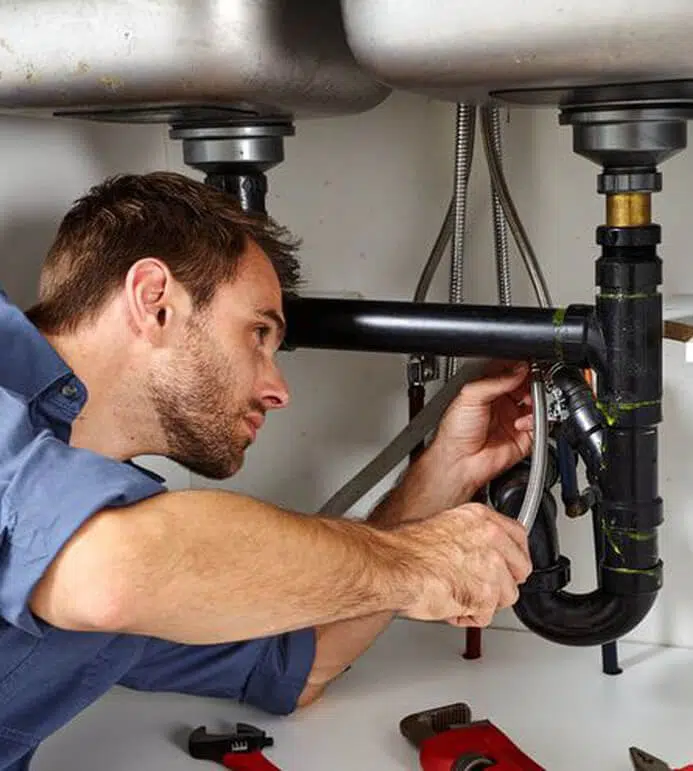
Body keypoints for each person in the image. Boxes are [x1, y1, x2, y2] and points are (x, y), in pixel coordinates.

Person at [0, 171, 533, 769]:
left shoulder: (110, 525)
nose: (279, 390)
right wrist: (415, 563)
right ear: (155, 301)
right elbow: (111, 574)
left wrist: (444, 474)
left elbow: (298, 663)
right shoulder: (106, 541)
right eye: (258, 332)